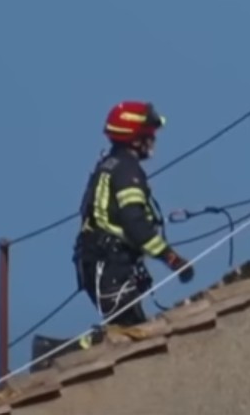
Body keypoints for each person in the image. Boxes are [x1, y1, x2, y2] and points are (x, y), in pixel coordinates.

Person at [72, 101, 194, 333]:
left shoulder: (109, 165)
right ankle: (52, 352)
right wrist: (173, 259)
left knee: (130, 330)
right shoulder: (127, 171)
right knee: (128, 334)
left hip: (98, 262)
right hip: (110, 266)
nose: (154, 140)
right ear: (136, 139)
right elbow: (135, 224)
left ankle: (56, 351)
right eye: (150, 135)